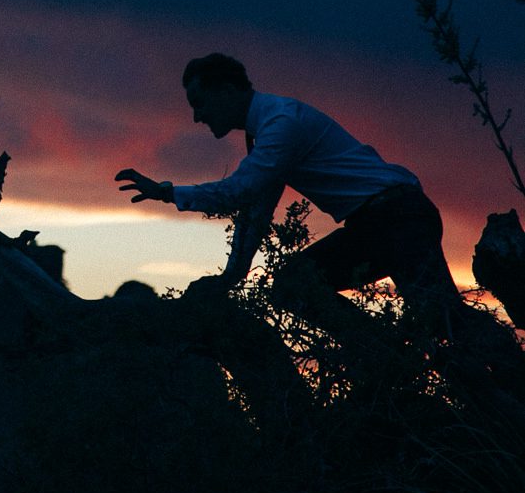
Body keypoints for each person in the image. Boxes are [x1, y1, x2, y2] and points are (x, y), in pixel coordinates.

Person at [114, 52, 464, 337]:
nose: (196, 116)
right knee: (297, 286)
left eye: (200, 102)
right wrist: (232, 276)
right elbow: (255, 210)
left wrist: (167, 192)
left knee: (446, 323)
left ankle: (385, 357)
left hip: (396, 218)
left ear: (226, 91)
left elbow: (238, 192)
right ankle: (383, 356)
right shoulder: (268, 132)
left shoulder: (281, 125)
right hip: (382, 221)